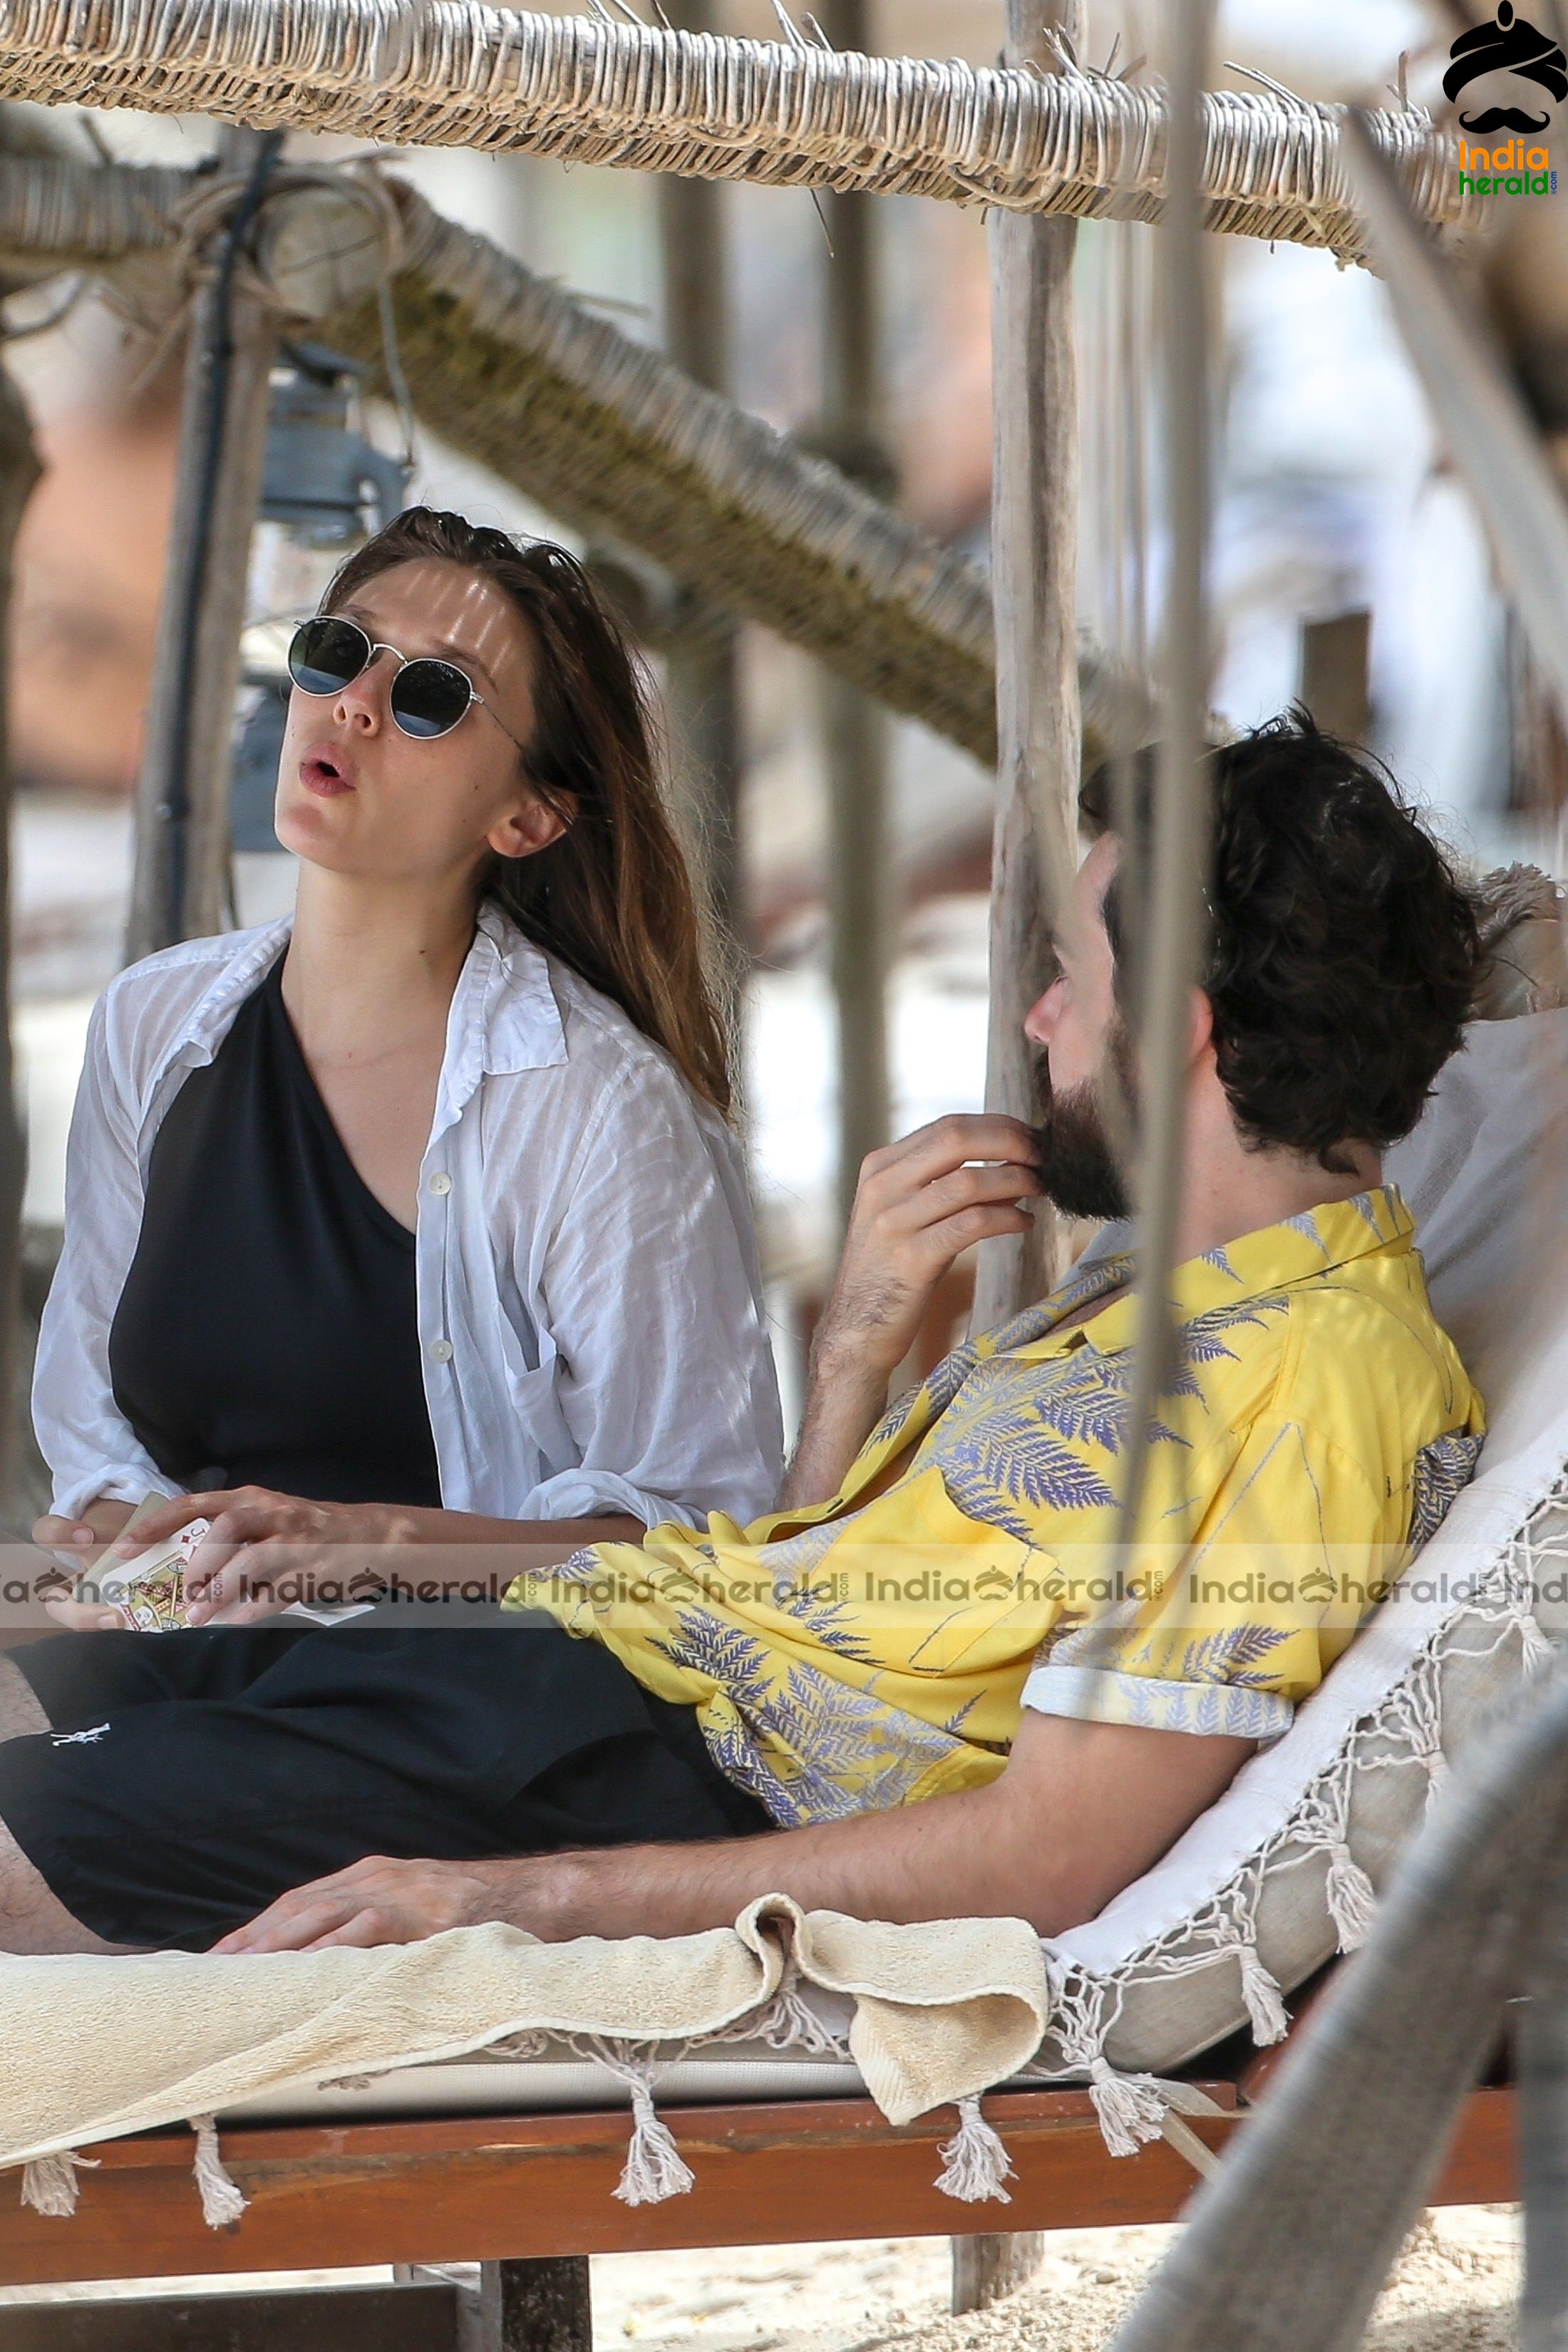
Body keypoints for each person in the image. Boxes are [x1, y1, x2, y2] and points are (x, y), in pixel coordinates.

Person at [0, 718, 1484, 1956]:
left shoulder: (1313, 1377)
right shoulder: (1163, 1288)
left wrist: (500, 1901)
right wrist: (849, 1354)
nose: (1035, 1021)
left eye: (1068, 986)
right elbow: (807, 1619)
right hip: (563, 1682)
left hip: (597, 1775)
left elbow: (1043, 1856)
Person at [4, 506, 783, 1947]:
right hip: (218, 1659)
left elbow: (707, 1544)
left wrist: (371, 1541)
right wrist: (121, 1543)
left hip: (499, 1705)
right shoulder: (155, 1028)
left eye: (431, 697)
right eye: (336, 652)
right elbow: (99, 1427)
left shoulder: (596, 1109)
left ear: (527, 817)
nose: (356, 701)